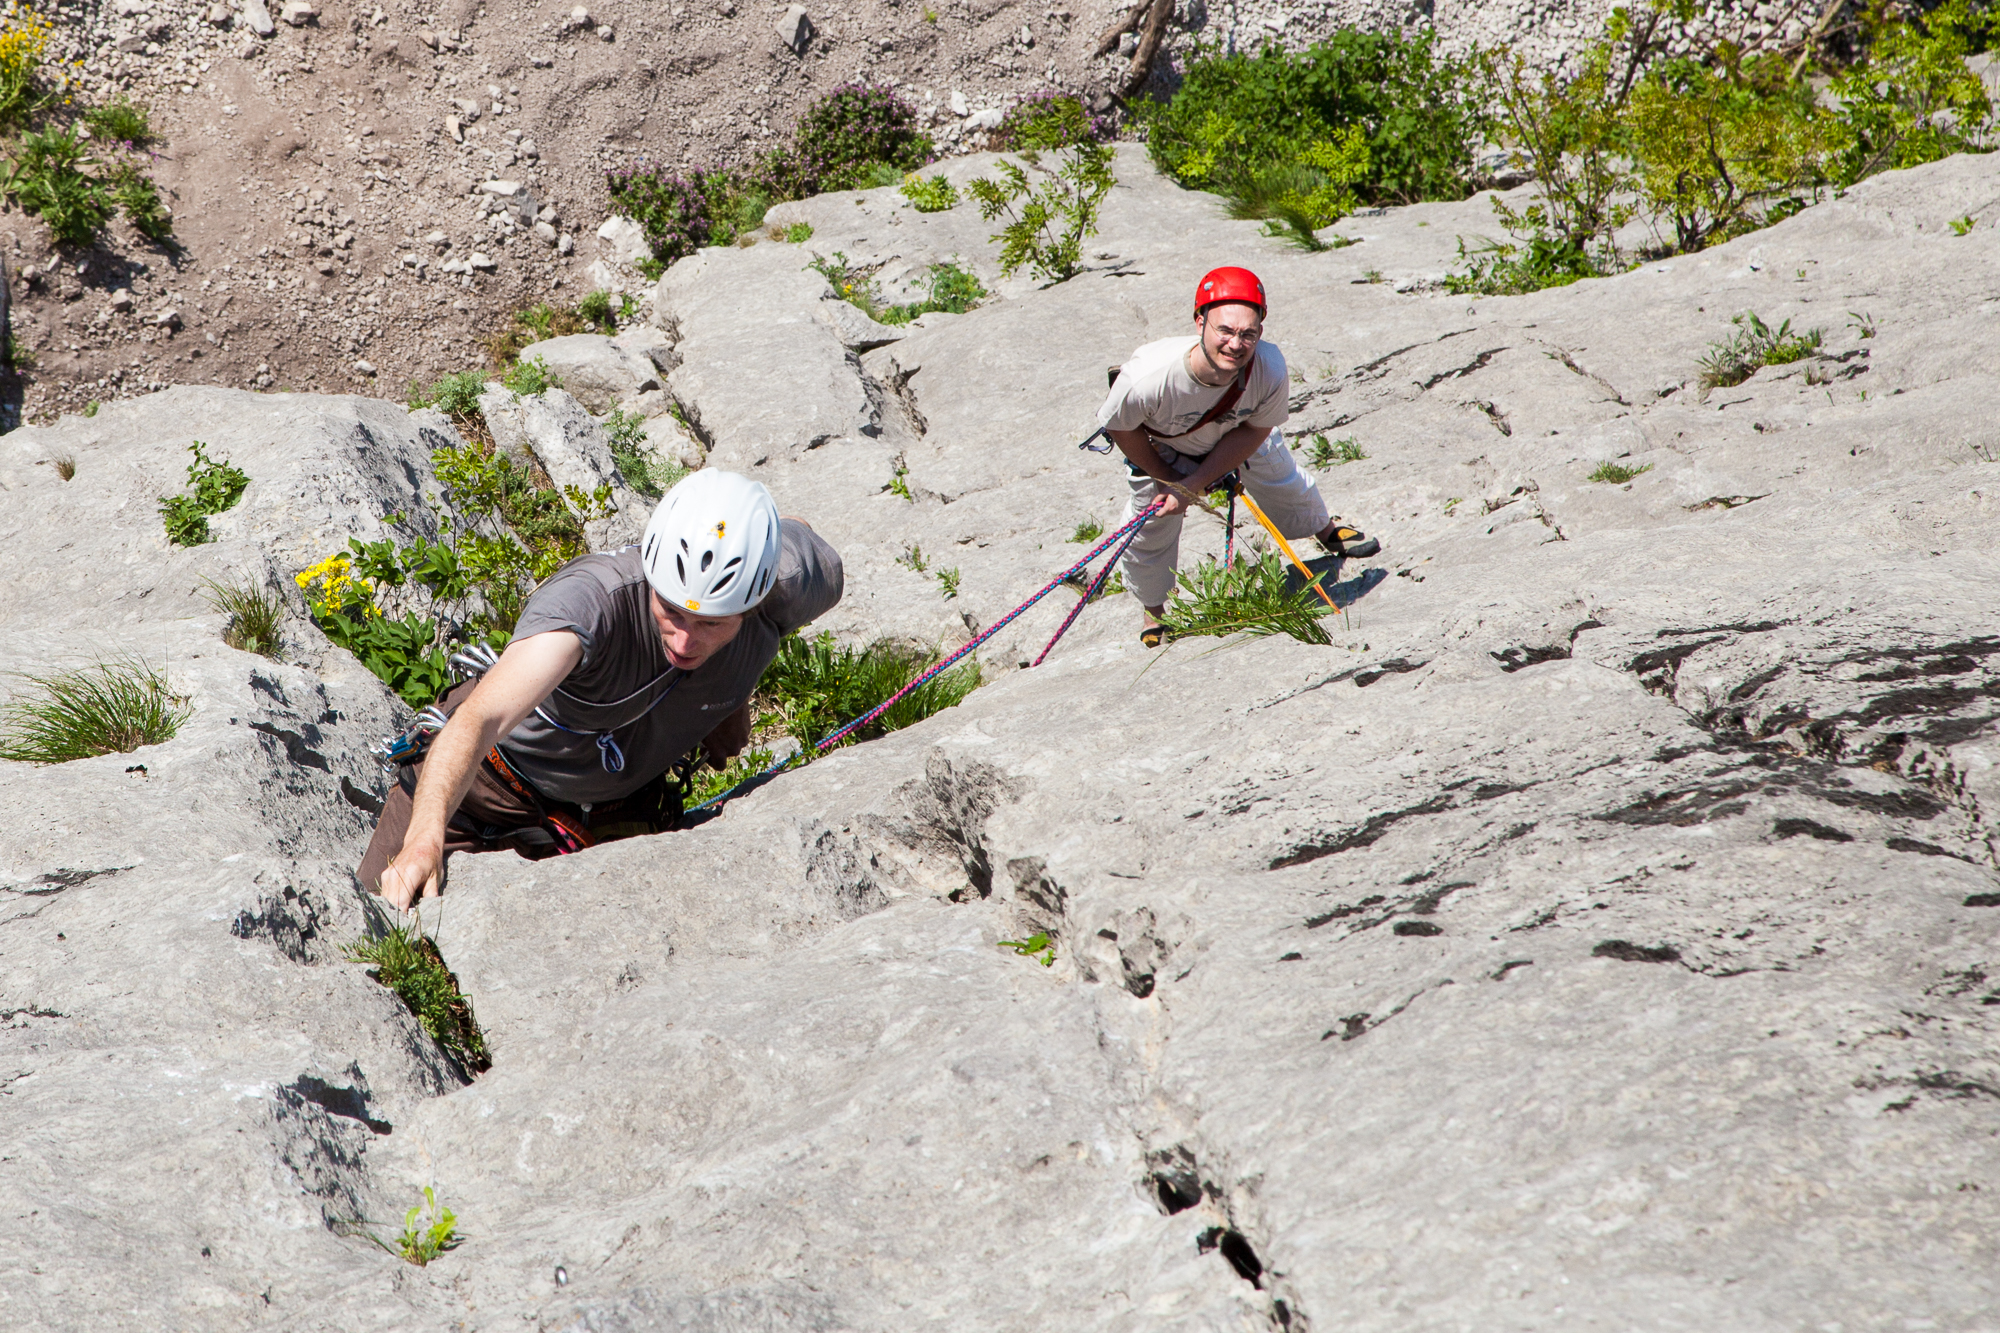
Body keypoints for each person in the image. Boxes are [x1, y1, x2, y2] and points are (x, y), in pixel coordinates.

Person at [361, 469, 843, 910]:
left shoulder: (792, 580)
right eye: (671, 610)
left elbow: (794, 530)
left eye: (712, 623)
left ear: (755, 599)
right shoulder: (590, 604)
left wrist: (726, 695)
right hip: (476, 795)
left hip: (617, 808)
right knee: (379, 929)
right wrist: (425, 839)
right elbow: (477, 720)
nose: (685, 640)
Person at [1098, 266, 1380, 646]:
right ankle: (1154, 611)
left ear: (1260, 332)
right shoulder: (1148, 377)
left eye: (1248, 333)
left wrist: (1196, 484)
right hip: (1163, 448)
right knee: (1148, 526)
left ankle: (1324, 531)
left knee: (1282, 478)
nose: (1236, 343)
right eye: (1225, 331)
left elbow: (1256, 430)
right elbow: (1121, 428)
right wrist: (1172, 481)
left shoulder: (1269, 368)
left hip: (1237, 434)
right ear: (1200, 322)